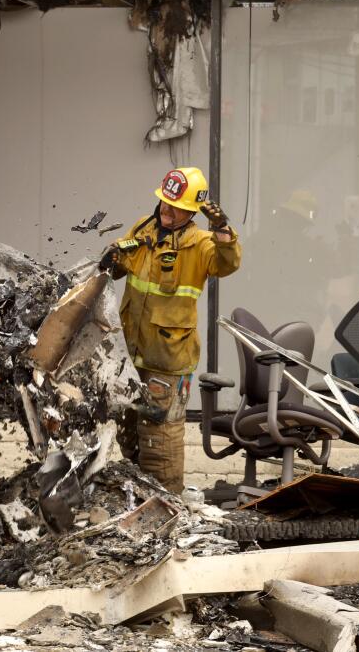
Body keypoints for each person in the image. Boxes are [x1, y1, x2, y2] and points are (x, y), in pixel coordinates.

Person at [100, 167, 241, 492]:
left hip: (168, 360)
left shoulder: (201, 244)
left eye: (176, 206)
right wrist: (112, 257)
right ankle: (137, 501)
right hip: (130, 352)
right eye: (164, 201)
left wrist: (221, 229)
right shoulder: (143, 228)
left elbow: (228, 263)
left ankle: (166, 509)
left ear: (192, 211)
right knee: (128, 430)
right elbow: (118, 267)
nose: (166, 209)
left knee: (160, 439)